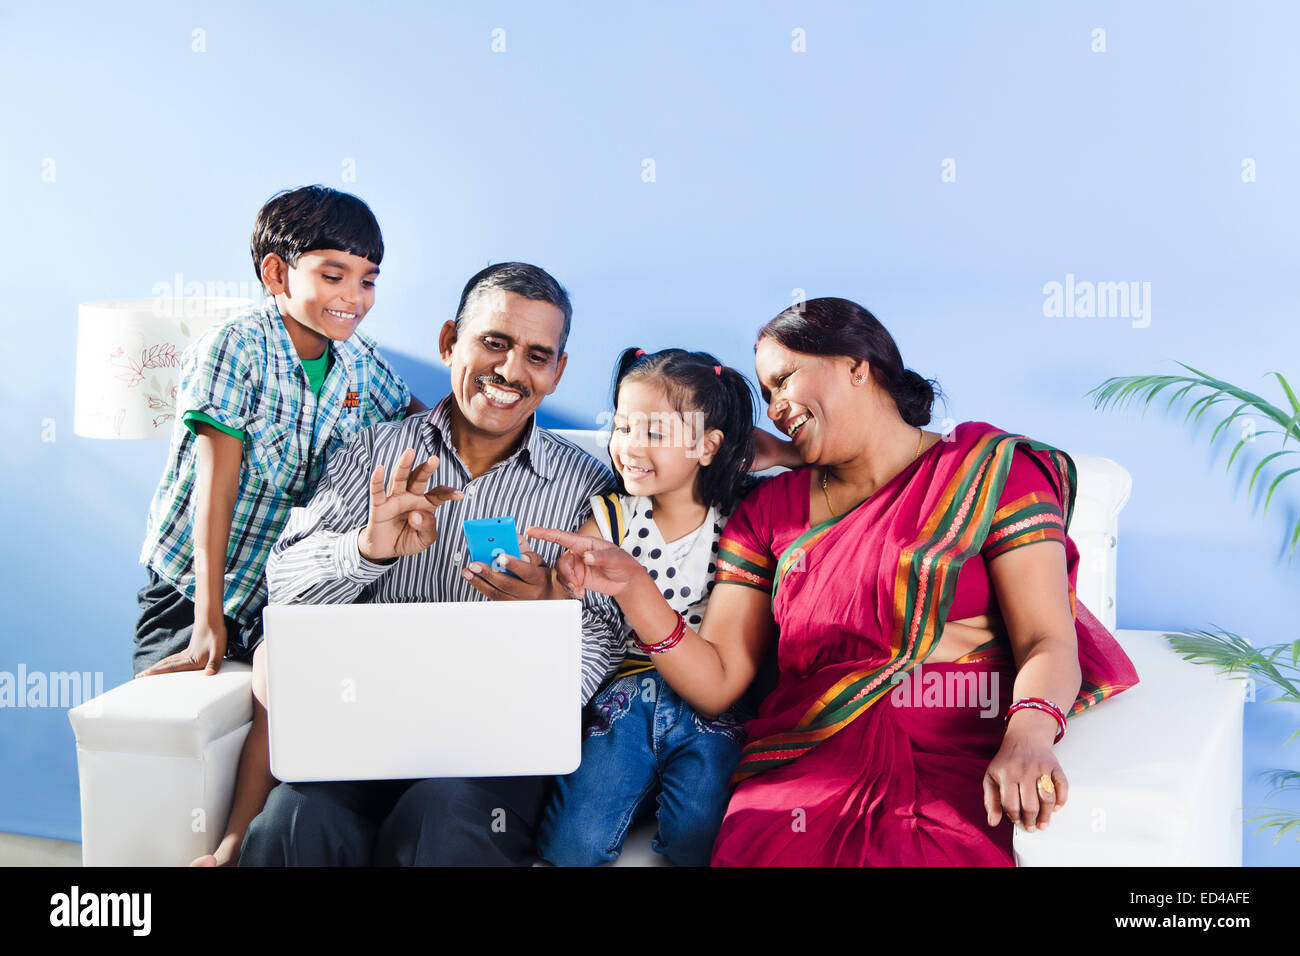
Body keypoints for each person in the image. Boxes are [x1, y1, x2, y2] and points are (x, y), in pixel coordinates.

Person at [529, 296, 1140, 866]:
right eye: (766, 392)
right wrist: (635, 587)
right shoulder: (768, 511)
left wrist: (1029, 734)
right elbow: (716, 685)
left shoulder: (989, 472)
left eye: (784, 379)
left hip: (950, 747)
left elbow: (1045, 640)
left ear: (857, 365)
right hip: (805, 757)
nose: (773, 406)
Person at [238, 262, 627, 866]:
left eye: (536, 355)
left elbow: (607, 630)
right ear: (450, 342)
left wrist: (552, 611)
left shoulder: (587, 487)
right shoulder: (378, 449)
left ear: (557, 372)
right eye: (493, 343)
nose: (510, 371)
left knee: (444, 817)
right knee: (297, 819)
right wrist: (365, 550)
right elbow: (284, 586)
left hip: (495, 755)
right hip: (362, 733)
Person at [133, 185, 422, 866]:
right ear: (275, 273)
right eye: (333, 274)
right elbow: (217, 489)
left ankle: (238, 843)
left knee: (285, 679)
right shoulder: (236, 348)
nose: (354, 294)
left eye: (368, 279)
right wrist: (209, 618)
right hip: (195, 582)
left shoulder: (361, 363)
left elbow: (424, 421)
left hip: (284, 590)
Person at [536, 347, 763, 866]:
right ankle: (630, 791)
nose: (630, 447)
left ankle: (652, 793)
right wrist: (550, 581)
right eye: (621, 427)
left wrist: (777, 454)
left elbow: (818, 469)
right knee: (576, 845)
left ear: (708, 446)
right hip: (624, 697)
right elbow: (565, 591)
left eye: (655, 434)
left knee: (698, 836)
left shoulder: (742, 519)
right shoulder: (612, 516)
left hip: (713, 705)